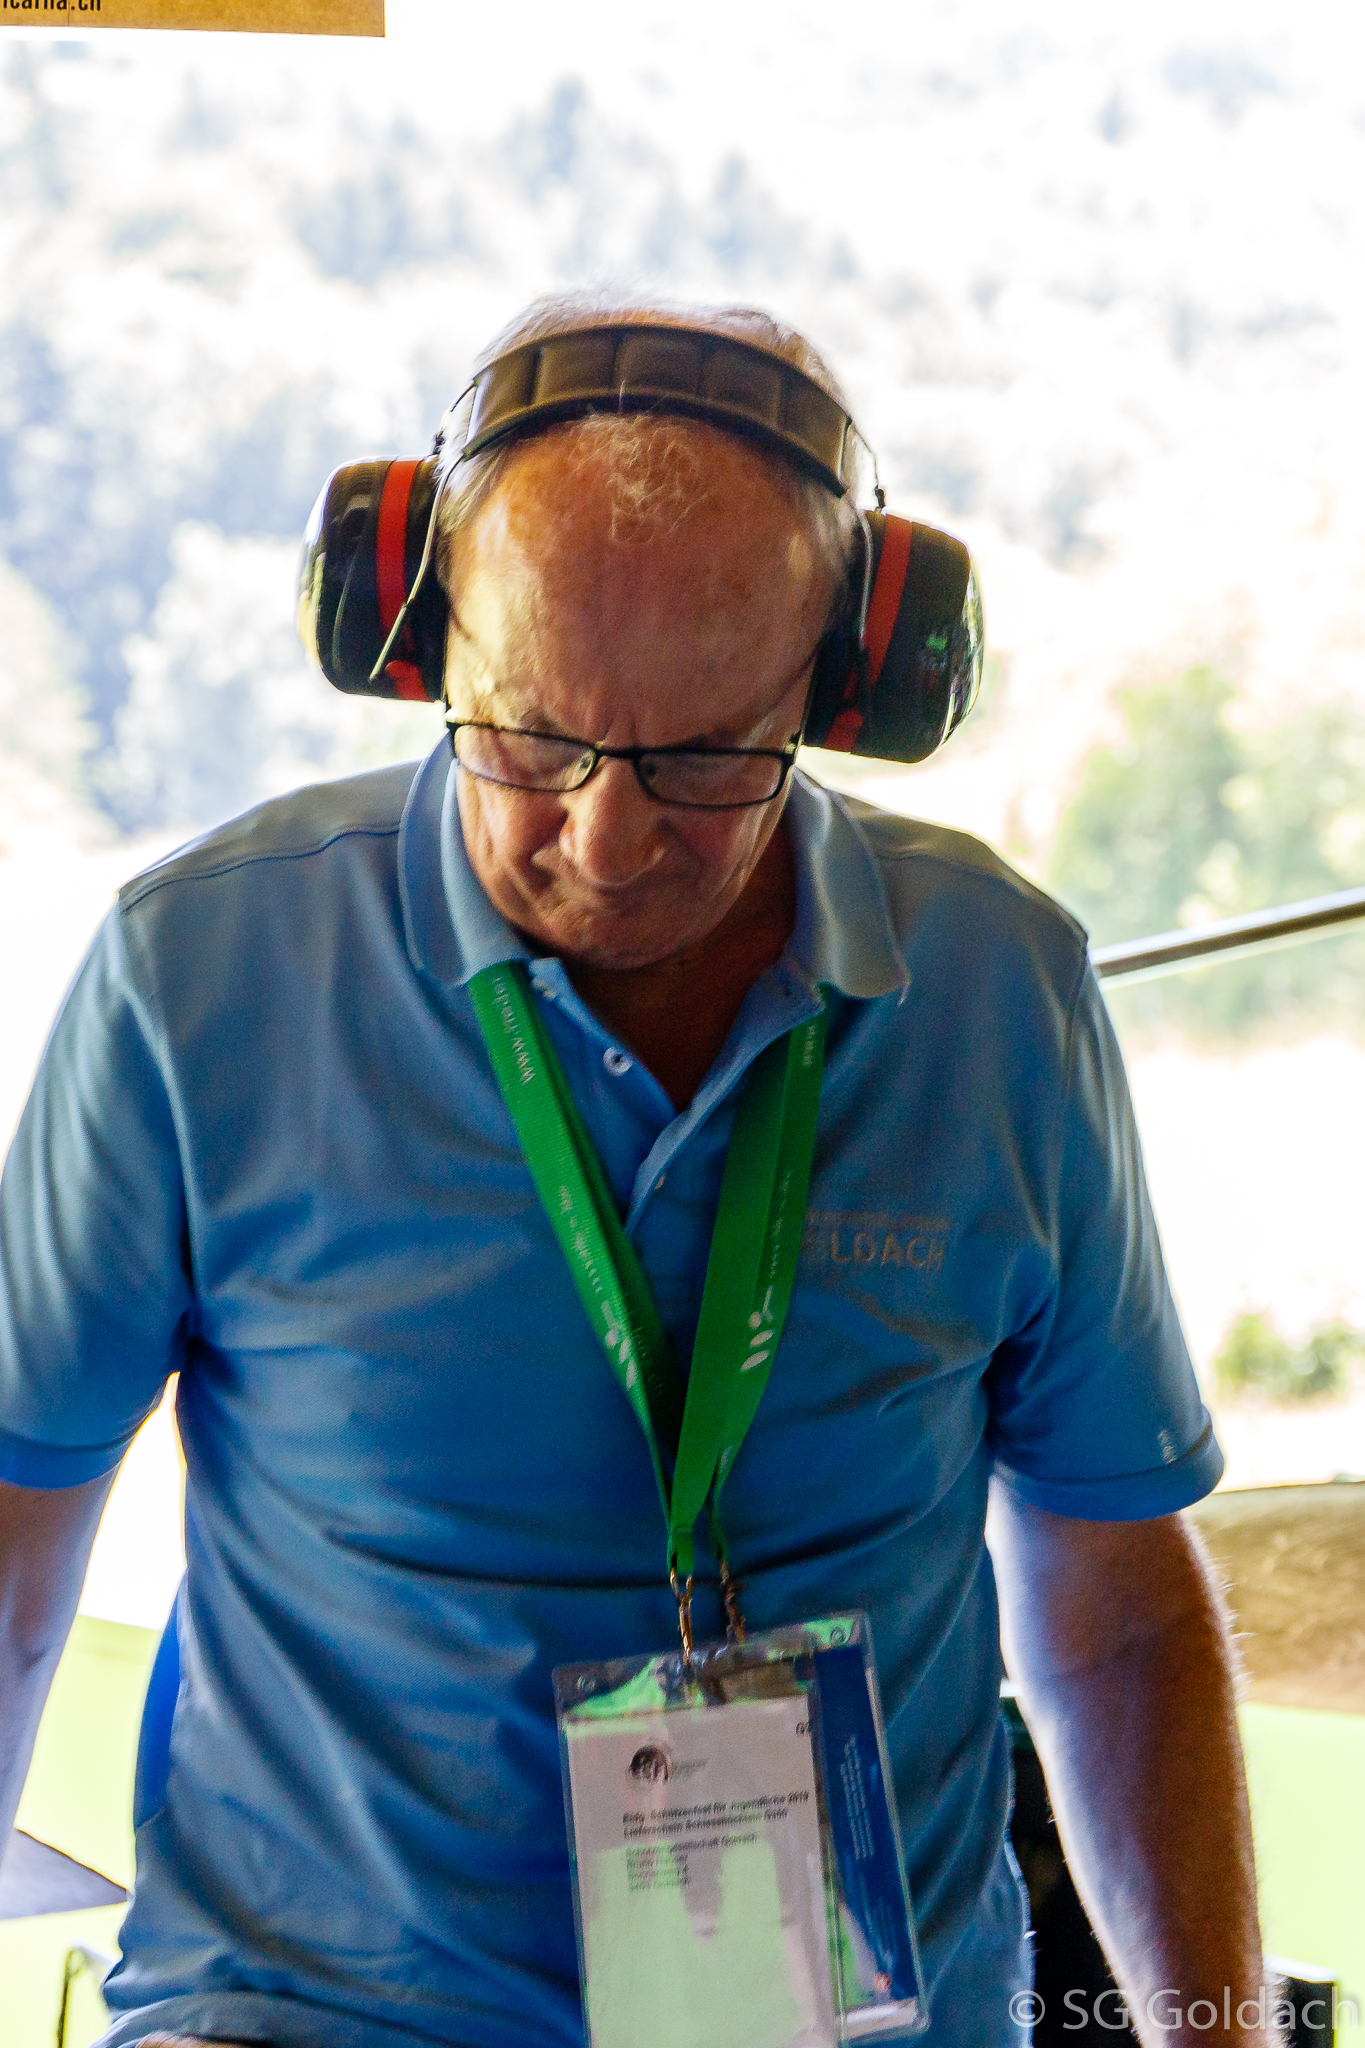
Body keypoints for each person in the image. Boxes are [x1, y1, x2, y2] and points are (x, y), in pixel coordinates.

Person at [0, 296, 1273, 2048]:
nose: (603, 840)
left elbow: (1114, 1613)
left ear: (848, 683)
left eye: (704, 757)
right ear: (419, 637)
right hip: (309, 2017)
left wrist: (1219, 2036)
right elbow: (15, 1548)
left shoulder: (999, 990)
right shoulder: (194, 975)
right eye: (527, 735)